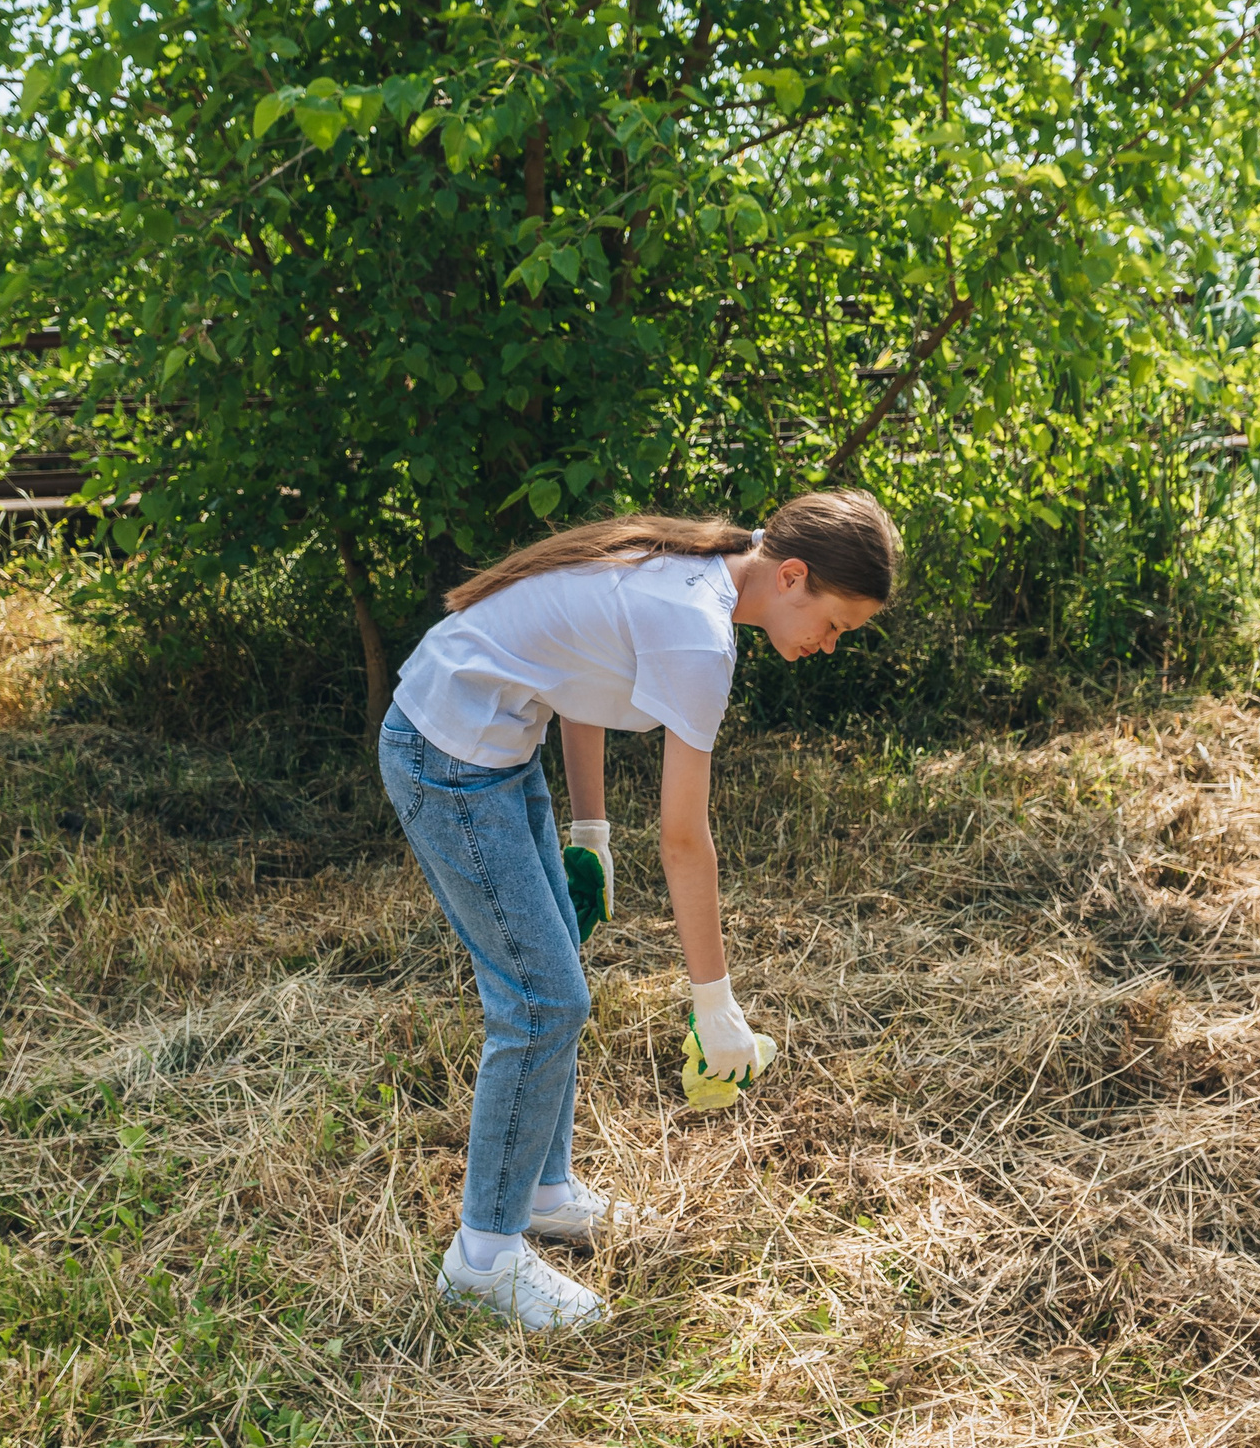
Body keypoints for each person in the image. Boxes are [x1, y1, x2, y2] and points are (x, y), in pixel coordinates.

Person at [378, 490, 900, 1329]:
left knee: (554, 981)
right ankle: (483, 1257)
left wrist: (590, 829)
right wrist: (714, 1002)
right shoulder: (698, 634)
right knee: (544, 1000)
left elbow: (576, 680)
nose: (830, 644)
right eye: (835, 623)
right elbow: (686, 839)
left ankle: (543, 1191)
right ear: (793, 575)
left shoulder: (700, 572)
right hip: (446, 757)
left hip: (497, 748)